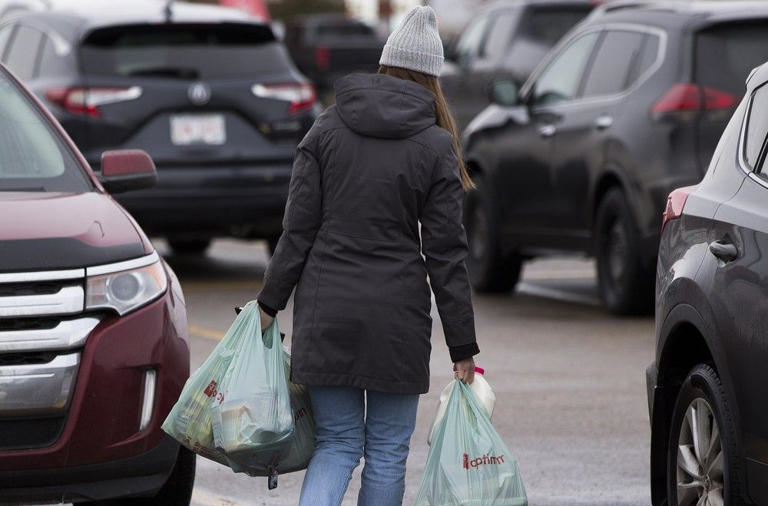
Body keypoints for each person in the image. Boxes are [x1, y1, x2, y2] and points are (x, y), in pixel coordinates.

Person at [256, 6, 479, 506]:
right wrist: (462, 345)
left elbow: (297, 233)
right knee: (385, 451)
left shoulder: (325, 131)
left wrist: (267, 307)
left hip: (326, 312)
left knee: (335, 445)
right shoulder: (436, 145)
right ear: (433, 80)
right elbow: (446, 255)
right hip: (395, 319)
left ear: (383, 65)